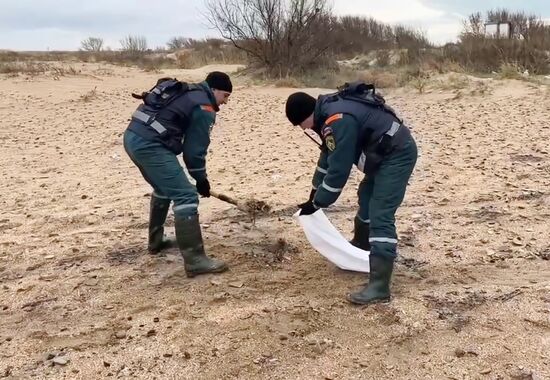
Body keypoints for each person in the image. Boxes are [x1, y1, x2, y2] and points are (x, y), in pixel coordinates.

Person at [285, 82, 417, 304]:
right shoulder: (328, 112)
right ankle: (362, 248)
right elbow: (328, 155)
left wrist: (318, 203)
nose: (304, 129)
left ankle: (379, 285)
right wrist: (314, 192)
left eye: (301, 124)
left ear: (308, 114)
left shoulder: (337, 120)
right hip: (382, 154)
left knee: (380, 213)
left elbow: (339, 169)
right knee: (366, 196)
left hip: (396, 156)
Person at [123, 72, 233, 277]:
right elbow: (194, 152)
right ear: (214, 90)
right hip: (150, 145)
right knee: (186, 196)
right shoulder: (204, 107)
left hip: (133, 137)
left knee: (164, 188)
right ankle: (195, 260)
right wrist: (201, 181)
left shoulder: (189, 91)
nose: (225, 102)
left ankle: (156, 242)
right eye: (225, 95)